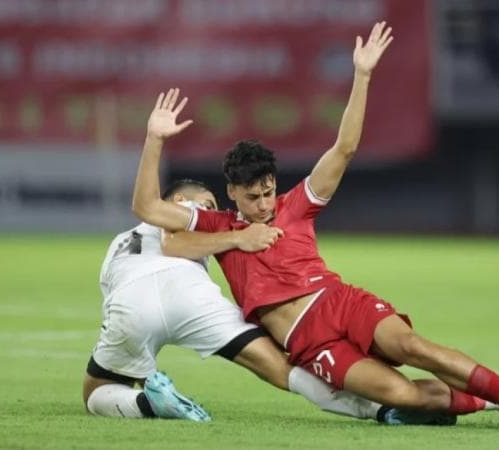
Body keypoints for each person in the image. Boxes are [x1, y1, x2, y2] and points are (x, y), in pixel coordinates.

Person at [133, 22, 499, 420]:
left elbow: (345, 148)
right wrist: (154, 141)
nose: (265, 203)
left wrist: (363, 75)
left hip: (338, 302)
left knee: (413, 348)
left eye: (268, 191)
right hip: (307, 342)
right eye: (253, 197)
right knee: (400, 393)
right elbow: (147, 208)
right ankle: (487, 401)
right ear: (232, 191)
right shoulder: (217, 226)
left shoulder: (296, 205)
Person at [84, 102, 453, 425]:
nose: (210, 210)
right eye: (207, 203)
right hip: (193, 298)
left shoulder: (120, 243)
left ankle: (147, 404)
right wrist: (238, 237)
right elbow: (171, 241)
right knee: (283, 369)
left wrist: (154, 140)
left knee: (97, 389)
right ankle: (378, 409)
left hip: (131, 301)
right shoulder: (185, 213)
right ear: (180, 199)